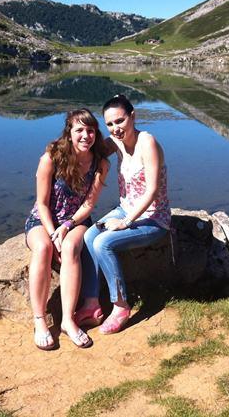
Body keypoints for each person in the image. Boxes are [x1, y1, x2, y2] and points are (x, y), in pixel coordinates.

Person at [77, 95, 171, 334]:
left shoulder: (147, 142)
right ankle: (92, 304)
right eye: (109, 124)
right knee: (89, 237)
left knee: (104, 243)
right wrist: (58, 157)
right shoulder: (115, 142)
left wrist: (125, 222)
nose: (115, 128)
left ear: (133, 116)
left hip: (153, 218)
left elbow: (151, 191)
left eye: (120, 121)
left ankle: (120, 306)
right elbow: (90, 152)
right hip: (125, 208)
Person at [25, 108, 108, 350]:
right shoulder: (51, 158)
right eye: (79, 130)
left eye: (90, 130)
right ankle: (40, 320)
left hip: (77, 221)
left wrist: (67, 227)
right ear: (69, 133)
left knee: (71, 248)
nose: (85, 135)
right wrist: (53, 233)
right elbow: (41, 203)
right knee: (43, 248)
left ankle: (68, 321)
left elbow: (90, 204)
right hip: (43, 219)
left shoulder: (100, 163)